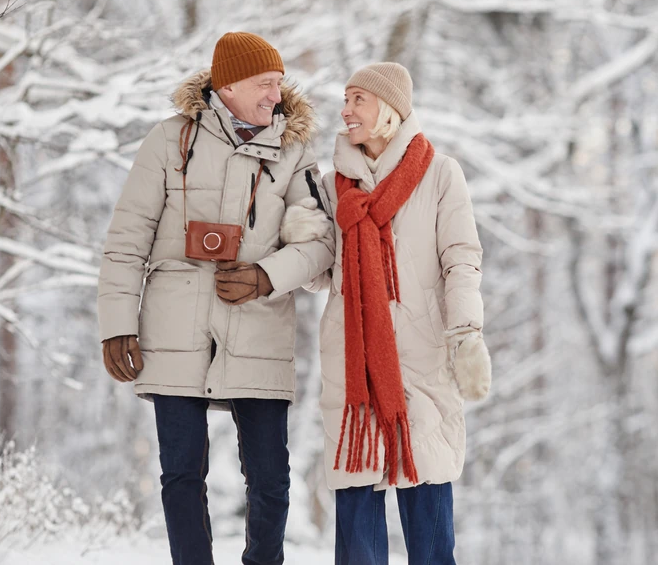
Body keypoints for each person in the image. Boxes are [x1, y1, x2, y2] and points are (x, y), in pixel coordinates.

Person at [96, 32, 334, 565]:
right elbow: (127, 236)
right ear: (227, 85)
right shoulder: (168, 140)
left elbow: (321, 243)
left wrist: (266, 276)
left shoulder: (293, 151)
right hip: (175, 328)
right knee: (181, 473)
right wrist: (117, 324)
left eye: (279, 83)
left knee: (271, 478)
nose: (277, 93)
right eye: (265, 83)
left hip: (259, 326)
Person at [284, 62, 491, 564]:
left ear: (391, 112)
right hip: (353, 368)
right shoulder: (331, 187)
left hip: (420, 365)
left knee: (430, 537)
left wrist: (466, 333)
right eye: (346, 99)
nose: (346, 110)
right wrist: (300, 228)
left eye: (359, 100)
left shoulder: (440, 174)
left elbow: (461, 258)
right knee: (357, 542)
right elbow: (318, 275)